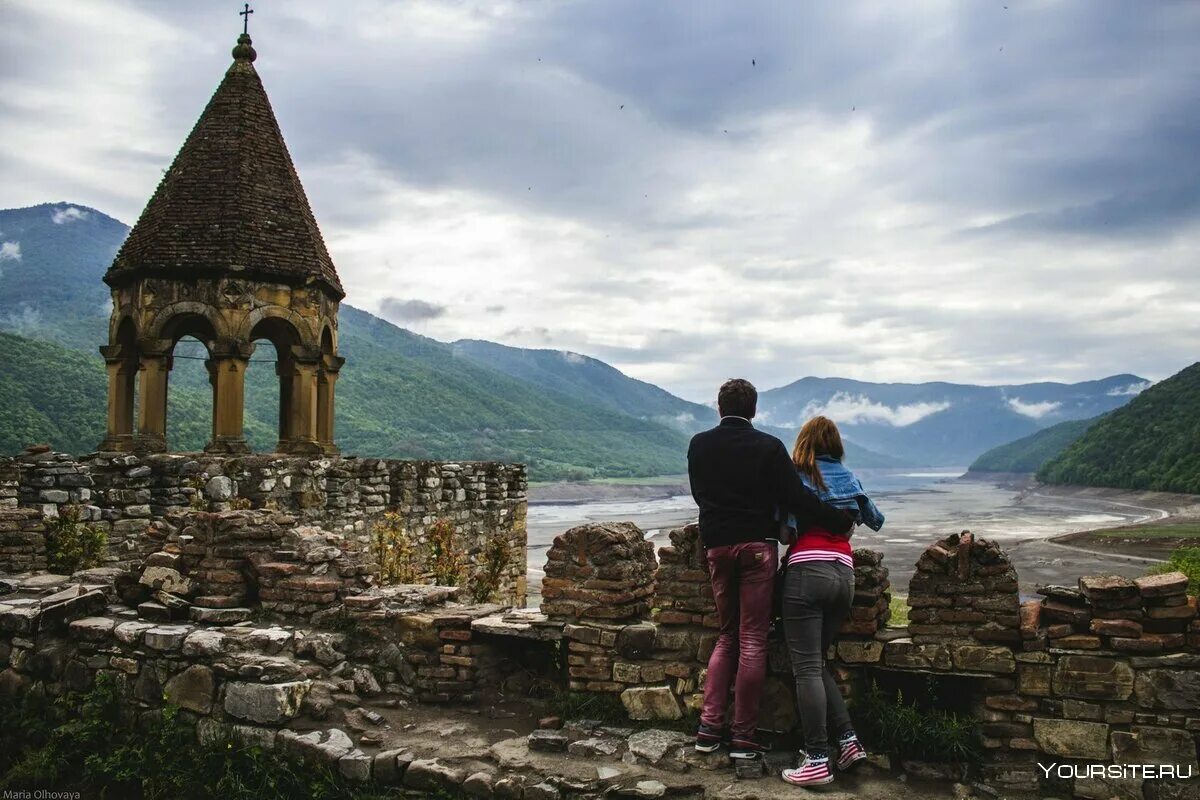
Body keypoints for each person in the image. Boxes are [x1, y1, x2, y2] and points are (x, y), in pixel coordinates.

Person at [687, 380, 855, 761]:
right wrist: (835, 521)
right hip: (757, 547)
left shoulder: (699, 444)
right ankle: (744, 737)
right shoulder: (768, 447)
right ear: (755, 410)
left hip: (716, 546)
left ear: (718, 407)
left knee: (726, 636)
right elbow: (795, 497)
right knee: (752, 640)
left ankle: (708, 728)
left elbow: (700, 495)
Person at [778, 416, 884, 787]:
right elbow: (874, 518)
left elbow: (786, 532)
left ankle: (817, 758)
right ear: (836, 444)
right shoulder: (849, 475)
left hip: (808, 571)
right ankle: (848, 741)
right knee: (816, 663)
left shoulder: (799, 475)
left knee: (804, 669)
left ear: (803, 441)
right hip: (845, 574)